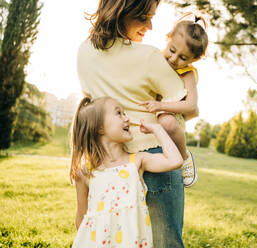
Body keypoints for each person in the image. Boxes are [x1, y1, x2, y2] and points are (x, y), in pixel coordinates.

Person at [77, 0, 196, 247]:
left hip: (108, 165)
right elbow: (185, 109)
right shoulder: (149, 56)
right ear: (124, 11)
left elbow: (91, 109)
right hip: (156, 158)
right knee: (166, 243)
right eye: (144, 18)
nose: (150, 26)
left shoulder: (84, 52)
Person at [70, 96, 183, 247]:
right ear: (99, 128)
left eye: (125, 113)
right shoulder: (85, 172)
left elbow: (175, 161)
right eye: (119, 113)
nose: (127, 118)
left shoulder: (136, 161)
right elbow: (82, 218)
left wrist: (157, 129)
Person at [140, 14, 208, 188]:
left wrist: (161, 106)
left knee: (167, 122)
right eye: (172, 50)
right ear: (168, 38)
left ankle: (185, 157)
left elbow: (192, 105)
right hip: (150, 115)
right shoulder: (156, 58)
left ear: (195, 59)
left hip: (172, 114)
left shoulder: (187, 74)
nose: (174, 59)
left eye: (183, 57)